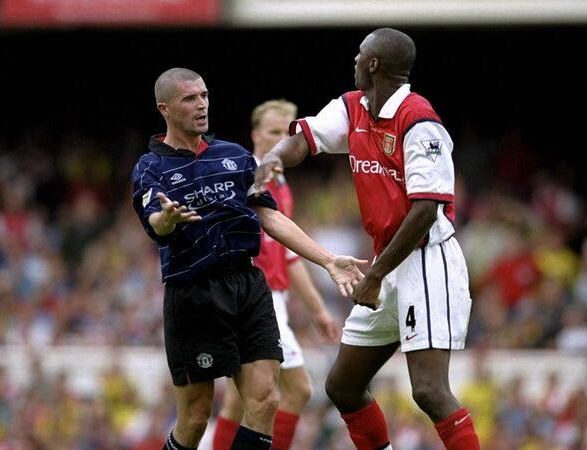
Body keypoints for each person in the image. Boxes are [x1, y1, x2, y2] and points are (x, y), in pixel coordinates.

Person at [254, 28, 482, 450]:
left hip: (426, 261)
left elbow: (425, 211)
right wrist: (272, 158)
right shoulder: (354, 107)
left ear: (374, 64)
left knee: (429, 390)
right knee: (343, 386)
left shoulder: (419, 120)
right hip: (386, 262)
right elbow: (305, 140)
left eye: (361, 55)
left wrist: (375, 275)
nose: (355, 61)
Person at [131, 68, 366, 450]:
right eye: (190, 98)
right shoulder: (150, 167)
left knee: (267, 398)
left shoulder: (234, 156)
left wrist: (327, 260)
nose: (202, 105)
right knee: (195, 417)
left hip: (248, 285)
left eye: (204, 96)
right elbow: (154, 222)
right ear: (165, 108)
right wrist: (167, 220)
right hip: (194, 293)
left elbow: (270, 217)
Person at [211, 99, 341, 450]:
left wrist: (317, 309)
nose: (280, 140)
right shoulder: (247, 180)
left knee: (238, 399)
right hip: (257, 298)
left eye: (286, 132)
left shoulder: (280, 185)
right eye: (272, 131)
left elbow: (288, 256)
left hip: (268, 298)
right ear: (255, 134)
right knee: (297, 389)